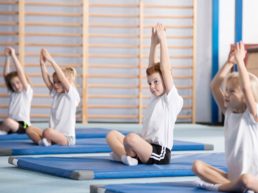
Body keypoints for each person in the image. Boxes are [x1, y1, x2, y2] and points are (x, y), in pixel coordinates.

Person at [106, 23, 183, 166]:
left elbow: (165, 69)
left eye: (156, 82)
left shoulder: (171, 100)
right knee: (111, 135)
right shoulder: (156, 97)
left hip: (159, 153)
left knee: (130, 139)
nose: (152, 87)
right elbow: (151, 67)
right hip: (144, 145)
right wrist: (153, 44)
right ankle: (127, 157)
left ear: (167, 79)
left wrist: (163, 40)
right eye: (149, 83)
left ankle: (126, 155)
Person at [192, 42, 258, 192]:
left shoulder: (252, 116)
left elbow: (247, 89)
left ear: (246, 97)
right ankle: (233, 187)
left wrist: (241, 62)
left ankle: (225, 187)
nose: (226, 95)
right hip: (233, 176)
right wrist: (229, 63)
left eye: (232, 91)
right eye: (226, 91)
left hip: (253, 178)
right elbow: (214, 86)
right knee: (198, 166)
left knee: (246, 180)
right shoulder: (229, 112)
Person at [37, 48, 80, 146]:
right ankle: (46, 141)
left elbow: (63, 79)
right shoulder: (57, 93)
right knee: (31, 130)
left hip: (67, 138)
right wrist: (42, 64)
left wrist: (51, 60)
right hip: (55, 135)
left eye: (59, 82)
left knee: (47, 132)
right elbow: (47, 79)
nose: (55, 85)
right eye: (55, 82)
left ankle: (46, 141)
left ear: (68, 81)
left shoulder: (72, 95)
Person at [0, 47, 41, 142]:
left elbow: (20, 72)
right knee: (8, 121)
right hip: (13, 122)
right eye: (13, 85)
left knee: (7, 121)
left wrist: (13, 55)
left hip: (24, 124)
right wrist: (7, 58)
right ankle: (4, 130)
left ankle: (4, 131)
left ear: (23, 81)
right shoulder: (12, 93)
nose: (16, 86)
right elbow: (5, 76)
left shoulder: (27, 92)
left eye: (18, 82)